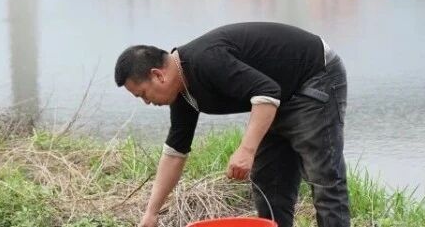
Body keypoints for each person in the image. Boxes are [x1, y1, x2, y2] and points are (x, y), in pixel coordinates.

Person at [114, 22, 349, 227]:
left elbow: (267, 93)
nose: (147, 102)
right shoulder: (183, 91)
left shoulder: (206, 60)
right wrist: (151, 213)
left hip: (314, 76)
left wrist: (246, 150)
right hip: (278, 94)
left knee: (324, 176)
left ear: (158, 75)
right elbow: (175, 152)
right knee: (269, 180)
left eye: (143, 94)